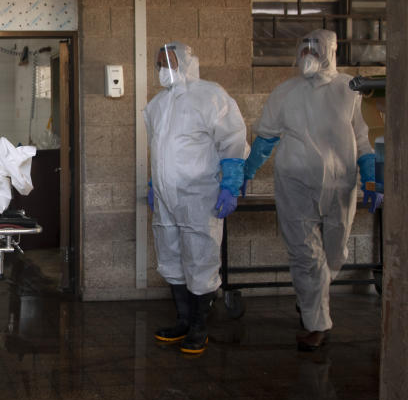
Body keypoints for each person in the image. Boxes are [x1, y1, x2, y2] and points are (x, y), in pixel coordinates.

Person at [242, 29, 375, 352]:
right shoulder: (285, 92)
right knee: (305, 255)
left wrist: (371, 177)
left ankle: (311, 296)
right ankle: (316, 324)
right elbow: (266, 138)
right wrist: (245, 173)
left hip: (341, 183)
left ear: (330, 51)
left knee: (335, 251)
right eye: (302, 50)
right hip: (294, 182)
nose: (306, 57)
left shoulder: (349, 88)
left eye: (313, 51)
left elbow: (361, 136)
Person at [144, 42, 247, 355]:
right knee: (171, 255)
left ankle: (200, 326)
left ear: (186, 63)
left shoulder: (211, 96)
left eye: (170, 62)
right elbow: (158, 150)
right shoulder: (156, 104)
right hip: (165, 195)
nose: (164, 69)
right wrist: (153, 183)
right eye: (159, 63)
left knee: (201, 255)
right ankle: (183, 320)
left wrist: (231, 183)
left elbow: (233, 140)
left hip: (199, 194)